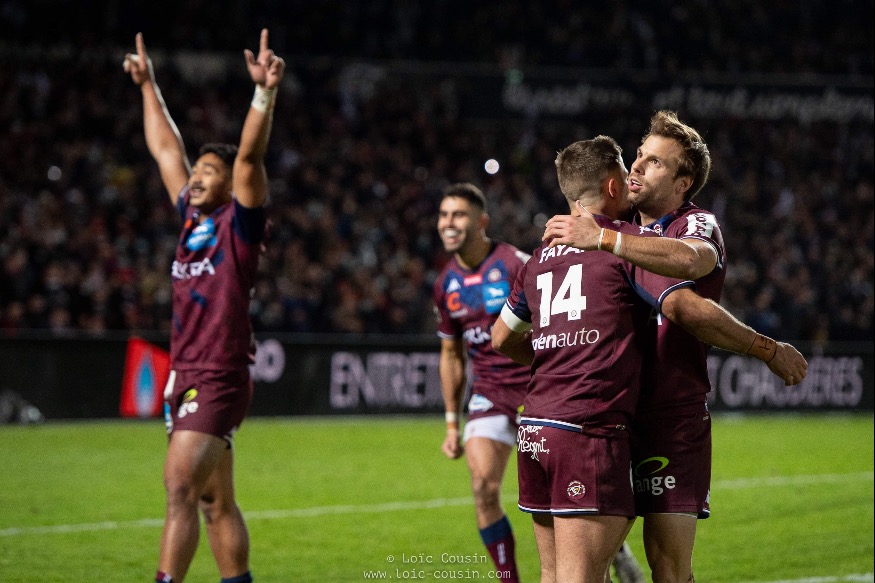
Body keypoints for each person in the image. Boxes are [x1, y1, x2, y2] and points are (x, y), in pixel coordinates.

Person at [493, 136, 807, 583]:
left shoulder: (689, 223)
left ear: (684, 182)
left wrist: (767, 349)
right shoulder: (612, 232)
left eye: (654, 161)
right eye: (637, 156)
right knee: (580, 567)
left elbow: (692, 271)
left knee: (665, 568)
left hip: (666, 416)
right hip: (604, 418)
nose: (637, 167)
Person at [123, 29, 284, 583]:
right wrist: (148, 86)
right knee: (216, 502)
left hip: (217, 375)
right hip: (184, 373)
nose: (194, 178)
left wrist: (262, 95)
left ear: (227, 188)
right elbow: (166, 149)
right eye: (196, 173)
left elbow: (247, 160)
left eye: (206, 173)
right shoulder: (191, 222)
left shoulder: (239, 227)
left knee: (179, 489)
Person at [433, 183, 530, 583]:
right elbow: (451, 355)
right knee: (483, 488)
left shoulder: (515, 265)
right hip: (489, 392)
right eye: (443, 215)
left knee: (560, 498)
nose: (448, 223)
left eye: (458, 215)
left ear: (481, 222)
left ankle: (613, 551)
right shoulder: (445, 285)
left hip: (538, 387)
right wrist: (452, 423)